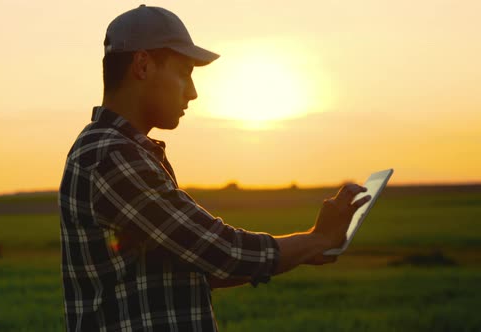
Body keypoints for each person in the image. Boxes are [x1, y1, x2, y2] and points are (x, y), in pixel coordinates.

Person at [58, 5, 371, 331]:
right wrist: (315, 240)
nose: (192, 93)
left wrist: (303, 250)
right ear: (143, 65)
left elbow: (197, 266)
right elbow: (219, 250)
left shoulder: (124, 152)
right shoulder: (113, 156)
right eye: (184, 72)